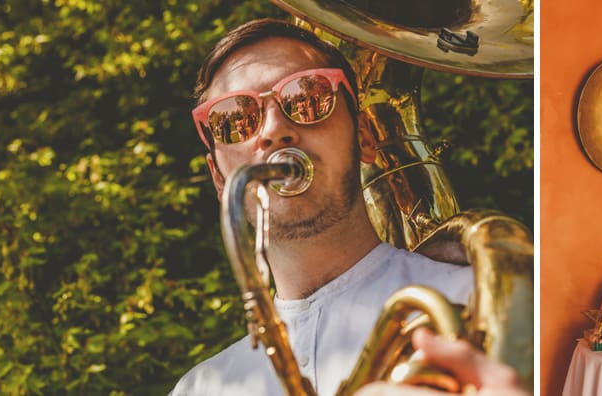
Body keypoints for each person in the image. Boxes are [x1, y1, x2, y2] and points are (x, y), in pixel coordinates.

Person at [171, 18, 528, 396]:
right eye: (235, 119)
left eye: (307, 96)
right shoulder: (200, 387)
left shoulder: (486, 301)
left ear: (364, 137)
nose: (273, 129)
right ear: (219, 178)